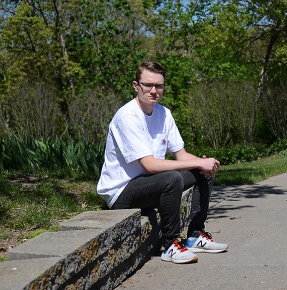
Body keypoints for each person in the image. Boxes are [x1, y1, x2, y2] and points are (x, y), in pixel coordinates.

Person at [97, 61, 227, 263]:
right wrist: (195, 164)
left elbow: (181, 155)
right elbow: (150, 165)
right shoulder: (127, 117)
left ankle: (194, 235)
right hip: (122, 192)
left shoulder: (163, 113)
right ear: (136, 85)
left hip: (150, 183)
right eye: (148, 85)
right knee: (172, 179)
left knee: (203, 172)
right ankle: (170, 245)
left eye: (159, 86)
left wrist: (204, 163)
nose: (153, 91)